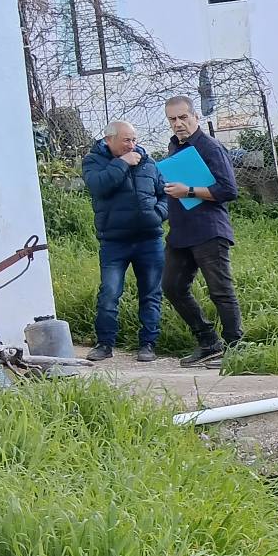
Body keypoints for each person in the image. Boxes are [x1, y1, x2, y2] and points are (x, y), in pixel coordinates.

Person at [159, 96, 243, 368]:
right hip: (181, 231)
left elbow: (228, 190)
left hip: (209, 229)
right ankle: (208, 342)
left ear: (195, 117)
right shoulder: (174, 147)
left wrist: (189, 191)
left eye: (183, 117)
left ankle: (236, 349)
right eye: (172, 119)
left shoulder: (210, 147)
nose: (178, 124)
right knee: (171, 286)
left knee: (220, 290)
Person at [80, 120, 167, 362]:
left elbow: (165, 193)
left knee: (151, 293)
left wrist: (158, 213)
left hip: (149, 240)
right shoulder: (93, 162)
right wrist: (121, 163)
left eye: (134, 140)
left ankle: (148, 344)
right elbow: (99, 187)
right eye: (126, 140)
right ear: (109, 140)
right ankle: (104, 344)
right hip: (114, 242)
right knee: (109, 293)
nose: (132, 145)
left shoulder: (149, 163)